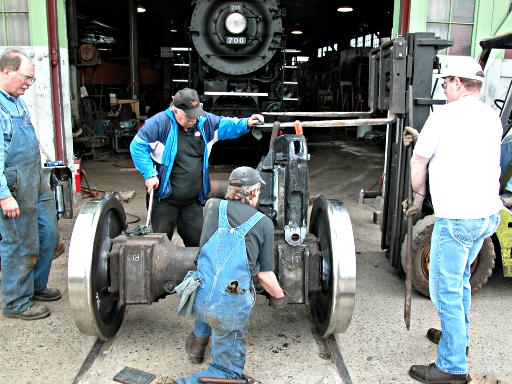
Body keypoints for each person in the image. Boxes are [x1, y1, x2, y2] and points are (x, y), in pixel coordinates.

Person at [403, 57, 503, 383]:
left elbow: (419, 163)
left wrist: (417, 200)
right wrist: (424, 137)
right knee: (459, 281)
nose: (444, 87)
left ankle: (452, 367)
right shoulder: (491, 118)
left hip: (458, 219)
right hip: (487, 215)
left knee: (445, 290)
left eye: (446, 82)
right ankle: (457, 340)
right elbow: (463, 150)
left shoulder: (442, 117)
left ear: (459, 83)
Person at [172, 166, 286, 384]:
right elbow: (264, 276)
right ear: (254, 192)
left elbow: (206, 247)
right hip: (228, 308)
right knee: (226, 374)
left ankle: (198, 343)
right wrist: (279, 297)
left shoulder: (212, 206)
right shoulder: (263, 223)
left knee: (210, 284)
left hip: (197, 296)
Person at [130, 88, 264, 246]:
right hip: (164, 201)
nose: (194, 119)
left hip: (193, 202)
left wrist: (246, 123)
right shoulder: (159, 123)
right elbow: (138, 146)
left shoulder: (205, 122)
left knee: (197, 244)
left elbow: (226, 124)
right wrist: (149, 174)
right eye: (189, 116)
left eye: (196, 114)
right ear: (176, 111)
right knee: (160, 245)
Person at [0, 50, 61, 321]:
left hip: (35, 179)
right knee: (19, 242)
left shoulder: (17, 102)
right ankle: (16, 302)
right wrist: (4, 196)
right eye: (26, 77)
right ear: (6, 72)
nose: (28, 84)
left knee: (48, 235)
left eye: (32, 80)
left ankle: (36, 286)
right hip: (14, 185)